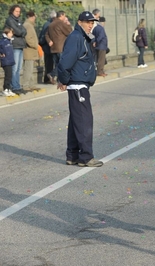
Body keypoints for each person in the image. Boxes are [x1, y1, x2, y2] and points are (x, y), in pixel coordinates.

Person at [57, 11, 103, 168]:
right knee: (84, 121)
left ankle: (73, 155)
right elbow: (65, 62)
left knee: (76, 120)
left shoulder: (83, 37)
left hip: (80, 84)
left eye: (92, 22)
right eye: (87, 22)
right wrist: (63, 80)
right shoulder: (76, 37)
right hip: (77, 85)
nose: (91, 25)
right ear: (79, 22)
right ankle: (86, 157)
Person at [46, 11, 72, 85]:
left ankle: (59, 80)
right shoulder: (61, 23)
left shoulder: (51, 24)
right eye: (64, 16)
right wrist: (68, 24)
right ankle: (52, 74)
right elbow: (69, 31)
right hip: (61, 47)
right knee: (62, 64)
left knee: (57, 63)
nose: (65, 18)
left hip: (53, 48)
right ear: (62, 15)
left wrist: (49, 41)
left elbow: (46, 35)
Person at [4, 4, 26, 94]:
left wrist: (21, 32)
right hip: (14, 45)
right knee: (15, 68)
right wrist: (21, 32)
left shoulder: (19, 20)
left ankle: (17, 85)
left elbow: (24, 30)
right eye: (16, 11)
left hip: (20, 45)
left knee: (19, 68)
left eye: (19, 11)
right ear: (12, 11)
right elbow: (18, 31)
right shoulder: (10, 20)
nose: (18, 13)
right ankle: (14, 87)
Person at [22, 11, 39, 91]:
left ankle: (31, 85)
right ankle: (25, 85)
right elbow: (28, 38)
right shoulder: (27, 25)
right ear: (32, 17)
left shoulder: (29, 25)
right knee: (28, 69)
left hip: (31, 51)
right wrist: (35, 45)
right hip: (29, 51)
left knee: (31, 69)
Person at [38, 10, 56, 84]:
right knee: (49, 63)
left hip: (47, 46)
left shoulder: (48, 23)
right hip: (47, 46)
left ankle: (47, 78)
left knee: (49, 63)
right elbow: (45, 36)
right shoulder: (49, 24)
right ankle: (47, 79)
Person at [0, 27, 16, 97]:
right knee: (8, 75)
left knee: (10, 75)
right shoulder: (3, 41)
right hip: (6, 61)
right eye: (10, 33)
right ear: (6, 33)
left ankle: (8, 89)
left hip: (10, 61)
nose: (11, 34)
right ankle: (5, 89)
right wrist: (1, 53)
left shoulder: (9, 41)